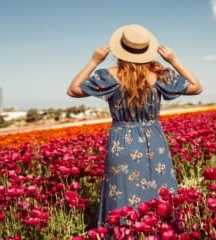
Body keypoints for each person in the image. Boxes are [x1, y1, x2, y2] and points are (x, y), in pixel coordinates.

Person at [67, 24, 202, 226]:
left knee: (122, 192)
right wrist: (173, 59)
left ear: (120, 50)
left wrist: (94, 61)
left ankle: (124, 231)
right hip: (155, 140)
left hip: (122, 141)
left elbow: (73, 90)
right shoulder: (161, 75)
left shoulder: (110, 75)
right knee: (159, 190)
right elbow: (197, 87)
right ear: (147, 50)